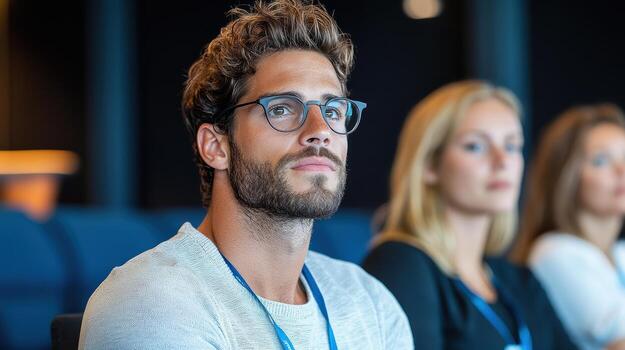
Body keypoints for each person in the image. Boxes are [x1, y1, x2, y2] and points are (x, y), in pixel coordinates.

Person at [78, 1, 412, 349]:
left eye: (332, 109)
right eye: (282, 108)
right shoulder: (150, 301)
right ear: (216, 146)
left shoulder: (369, 302)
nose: (320, 130)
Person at [362, 80, 576, 349]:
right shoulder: (401, 263)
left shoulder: (520, 281)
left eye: (511, 146)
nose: (502, 162)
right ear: (430, 164)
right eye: (476, 146)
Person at [511, 104, 625, 350]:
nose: (622, 171)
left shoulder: (620, 253)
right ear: (566, 174)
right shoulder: (556, 252)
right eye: (601, 160)